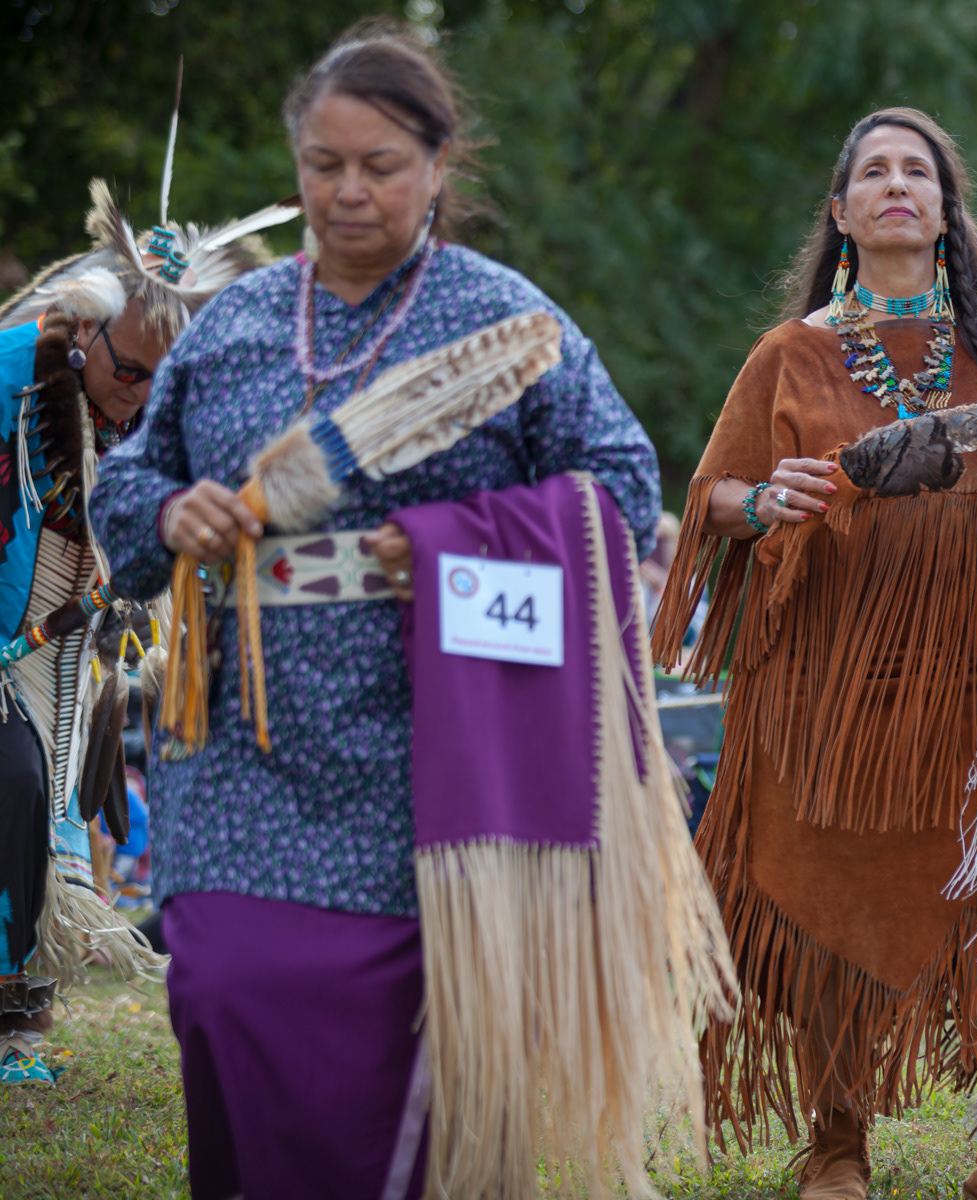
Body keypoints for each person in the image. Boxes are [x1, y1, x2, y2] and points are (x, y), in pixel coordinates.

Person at [88, 23, 723, 1197]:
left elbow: (622, 492)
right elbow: (128, 478)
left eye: (380, 164)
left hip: (425, 748)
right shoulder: (231, 325)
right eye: (324, 164)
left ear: (438, 165)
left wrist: (445, 540)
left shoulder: (507, 327)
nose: (349, 191)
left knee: (376, 1060)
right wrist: (171, 512)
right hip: (240, 739)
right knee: (224, 994)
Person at [651, 106, 977, 1200]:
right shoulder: (794, 353)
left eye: (919, 170)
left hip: (974, 690)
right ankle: (837, 1140)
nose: (898, 183)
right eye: (875, 171)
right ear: (842, 211)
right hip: (824, 685)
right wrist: (772, 495)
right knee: (821, 899)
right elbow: (714, 495)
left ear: (948, 213)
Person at [0, 175, 280, 1084]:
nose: (141, 393)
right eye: (128, 372)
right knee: (14, 786)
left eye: (163, 381)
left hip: (69, 653)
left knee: (53, 811)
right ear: (84, 332)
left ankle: (21, 1022)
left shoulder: (167, 415)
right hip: (12, 628)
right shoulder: (11, 372)